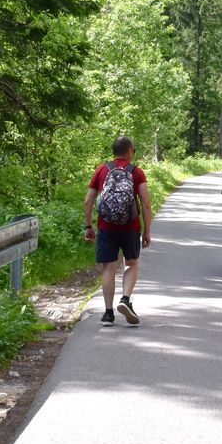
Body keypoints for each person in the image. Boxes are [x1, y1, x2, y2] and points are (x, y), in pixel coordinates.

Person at [84, 136, 153, 327]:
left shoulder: (102, 170)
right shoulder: (136, 172)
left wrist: (89, 226)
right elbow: (146, 204)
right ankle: (125, 299)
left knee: (109, 267)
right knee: (131, 264)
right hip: (130, 227)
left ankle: (107, 314)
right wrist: (147, 230)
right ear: (130, 150)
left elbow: (88, 201)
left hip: (106, 227)